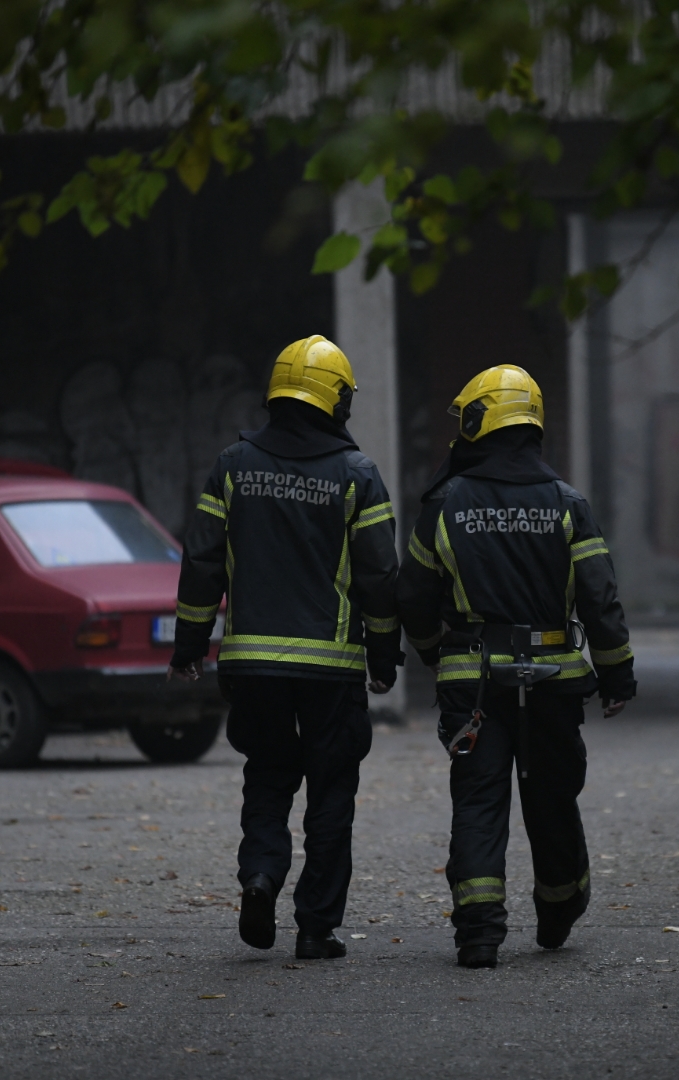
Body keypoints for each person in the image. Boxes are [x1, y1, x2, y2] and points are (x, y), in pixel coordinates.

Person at [166, 335, 402, 961]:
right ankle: (317, 928)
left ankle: (260, 876)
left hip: (254, 666)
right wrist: (385, 657)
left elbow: (202, 560)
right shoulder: (358, 477)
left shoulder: (232, 466)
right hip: (333, 670)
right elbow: (380, 577)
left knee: (267, 777)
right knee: (331, 792)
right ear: (337, 400)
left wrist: (190, 644)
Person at [397, 364, 635, 969]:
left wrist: (432, 654)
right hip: (553, 681)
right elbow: (600, 597)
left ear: (482, 420)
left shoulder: (446, 502)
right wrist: (617, 675)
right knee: (552, 797)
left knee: (478, 802)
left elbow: (415, 597)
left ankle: (478, 932)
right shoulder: (566, 503)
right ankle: (558, 908)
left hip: (472, 684)